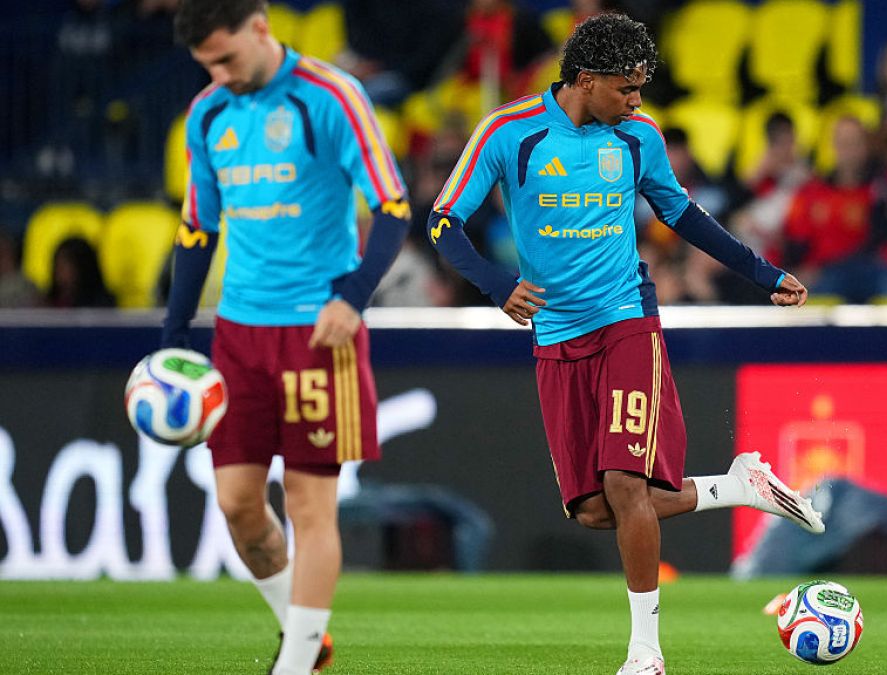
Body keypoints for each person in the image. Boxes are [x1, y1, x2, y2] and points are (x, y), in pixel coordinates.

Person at [425, 14, 824, 674]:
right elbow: (444, 222)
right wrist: (498, 286)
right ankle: (739, 486)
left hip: (626, 320)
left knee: (624, 482)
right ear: (586, 80)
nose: (637, 100)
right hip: (556, 332)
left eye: (641, 87)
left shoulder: (639, 137)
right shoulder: (508, 132)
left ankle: (646, 654)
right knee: (592, 509)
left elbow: (682, 214)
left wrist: (763, 273)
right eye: (626, 87)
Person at [164, 2, 411, 673]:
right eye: (207, 65)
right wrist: (174, 334)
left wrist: (352, 297)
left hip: (317, 333)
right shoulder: (207, 114)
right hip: (239, 334)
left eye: (226, 58)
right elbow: (196, 229)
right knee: (237, 505)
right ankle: (306, 638)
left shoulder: (331, 96)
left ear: (260, 26)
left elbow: (393, 206)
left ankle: (295, 663)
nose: (219, 75)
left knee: (309, 505)